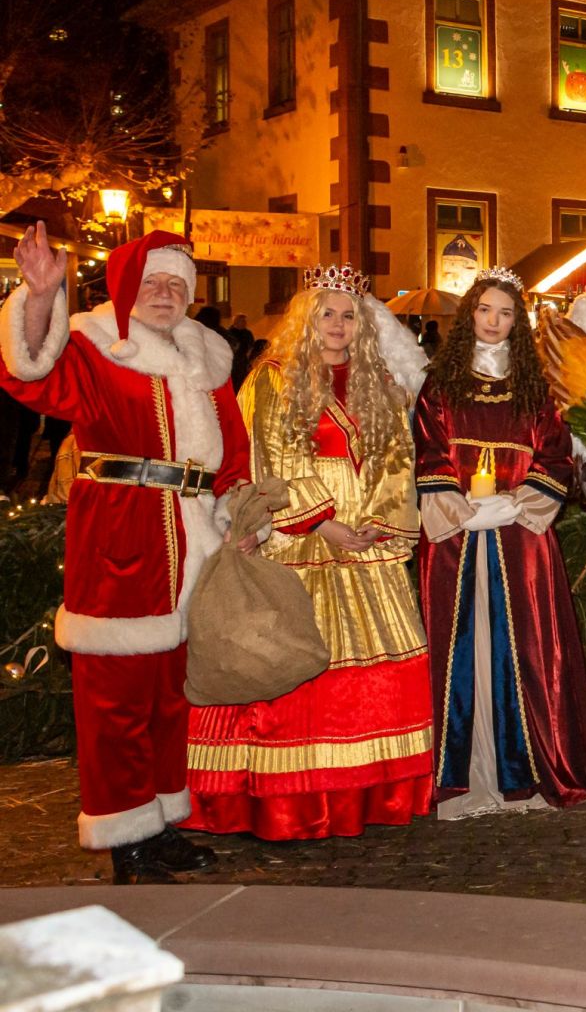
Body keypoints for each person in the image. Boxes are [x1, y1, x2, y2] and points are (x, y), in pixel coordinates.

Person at [0, 225, 252, 881]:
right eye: (152, 282)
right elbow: (30, 374)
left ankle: (161, 821)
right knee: (115, 697)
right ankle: (125, 835)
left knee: (172, 695)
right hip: (119, 537)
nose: (165, 294)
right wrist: (40, 296)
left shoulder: (208, 359)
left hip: (195, 540)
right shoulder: (92, 345)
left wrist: (242, 511)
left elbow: (233, 448)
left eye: (176, 284)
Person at [183, 264, 434, 839]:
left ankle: (370, 794)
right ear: (307, 319)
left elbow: (399, 462)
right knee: (293, 661)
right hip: (297, 539)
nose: (339, 325)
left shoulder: (382, 384)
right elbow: (266, 460)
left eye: (349, 315)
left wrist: (375, 522)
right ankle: (289, 800)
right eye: (328, 314)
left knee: (378, 677)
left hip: (366, 541)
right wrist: (322, 524)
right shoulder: (272, 379)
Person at [414, 269, 586, 817]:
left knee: (526, 644)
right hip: (457, 537)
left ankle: (525, 768)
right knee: (458, 643)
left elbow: (556, 455)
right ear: (470, 315)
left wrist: (516, 502)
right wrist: (461, 507)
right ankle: (457, 773)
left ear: (516, 322)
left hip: (521, 536)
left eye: (505, 313)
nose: (494, 322)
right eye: (485, 311)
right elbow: (428, 453)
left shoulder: (537, 388)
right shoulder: (441, 385)